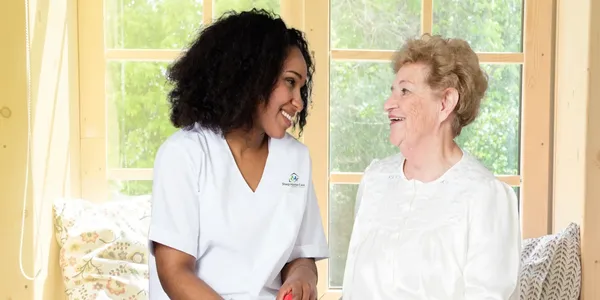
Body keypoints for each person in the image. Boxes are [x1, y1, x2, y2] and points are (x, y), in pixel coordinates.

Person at [147, 9, 329, 300]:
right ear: (252, 77)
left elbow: (301, 255)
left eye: (302, 88)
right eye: (290, 82)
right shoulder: (184, 154)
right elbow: (173, 270)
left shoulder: (295, 158)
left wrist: (300, 278)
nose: (298, 101)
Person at [341, 34, 521, 300]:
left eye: (405, 91)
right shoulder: (375, 181)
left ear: (445, 103)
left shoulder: (486, 197)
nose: (388, 104)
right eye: (392, 92)